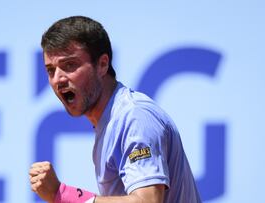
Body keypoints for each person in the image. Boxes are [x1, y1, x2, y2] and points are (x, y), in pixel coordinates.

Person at [29, 16, 202, 203]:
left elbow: (148, 201)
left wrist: (63, 195)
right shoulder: (109, 122)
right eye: (50, 70)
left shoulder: (133, 116)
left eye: (69, 65)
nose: (58, 79)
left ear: (102, 64)